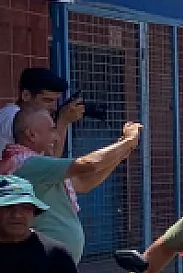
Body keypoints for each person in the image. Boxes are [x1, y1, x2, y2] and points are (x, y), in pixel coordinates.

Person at [3, 107, 142, 263]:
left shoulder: (35, 164)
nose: (56, 137)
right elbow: (89, 164)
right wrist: (128, 141)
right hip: (42, 264)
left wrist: (120, 152)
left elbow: (84, 183)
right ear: (32, 135)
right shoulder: (27, 164)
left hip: (55, 266)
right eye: (51, 130)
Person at [0, 64, 81, 149]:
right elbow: (50, 159)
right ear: (26, 95)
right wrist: (63, 121)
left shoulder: (11, 114)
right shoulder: (13, 116)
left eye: (55, 101)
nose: (54, 107)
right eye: (47, 100)